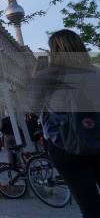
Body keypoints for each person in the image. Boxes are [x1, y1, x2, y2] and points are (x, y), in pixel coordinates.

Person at [32, 30, 100, 218]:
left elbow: (34, 107)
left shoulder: (45, 77)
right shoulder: (96, 72)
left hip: (65, 145)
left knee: (89, 204)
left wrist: (51, 131)